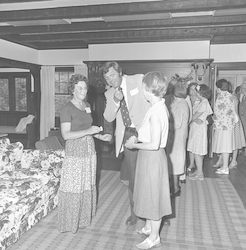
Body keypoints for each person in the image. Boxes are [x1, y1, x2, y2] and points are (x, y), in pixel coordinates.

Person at [57, 74, 112, 233]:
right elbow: (66, 135)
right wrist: (89, 130)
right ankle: (69, 222)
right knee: (74, 186)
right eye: (79, 87)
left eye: (85, 87)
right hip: (75, 150)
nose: (83, 90)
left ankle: (82, 218)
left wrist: (100, 136)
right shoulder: (67, 108)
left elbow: (88, 129)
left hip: (89, 149)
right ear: (72, 89)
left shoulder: (87, 105)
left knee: (86, 184)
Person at [125, 71, 172, 249]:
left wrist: (134, 145)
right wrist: (138, 140)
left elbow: (154, 144)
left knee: (153, 198)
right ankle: (148, 227)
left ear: (147, 89)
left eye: (143, 87)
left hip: (152, 158)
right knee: (146, 193)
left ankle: (154, 237)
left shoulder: (155, 112)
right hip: (149, 158)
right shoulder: (158, 106)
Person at [102, 61, 150, 226]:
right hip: (128, 136)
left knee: (152, 175)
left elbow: (152, 101)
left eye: (112, 75)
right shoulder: (109, 94)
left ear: (119, 72)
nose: (111, 79)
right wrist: (115, 102)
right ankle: (135, 213)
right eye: (107, 77)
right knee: (133, 178)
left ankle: (157, 213)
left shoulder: (138, 80)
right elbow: (108, 117)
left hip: (147, 133)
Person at [166, 81, 190, 197]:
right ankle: (174, 185)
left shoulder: (178, 105)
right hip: (180, 136)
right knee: (176, 159)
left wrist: (166, 124)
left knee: (174, 160)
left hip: (176, 136)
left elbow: (177, 123)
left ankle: (175, 188)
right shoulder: (184, 102)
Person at [187, 84, 213, 180]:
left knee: (198, 152)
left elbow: (192, 117)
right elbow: (194, 118)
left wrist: (193, 119)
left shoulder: (204, 103)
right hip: (196, 129)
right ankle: (198, 171)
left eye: (196, 91)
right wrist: (194, 120)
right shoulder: (202, 102)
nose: (195, 93)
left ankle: (200, 174)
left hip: (199, 129)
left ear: (200, 93)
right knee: (195, 150)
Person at [212, 79, 237, 175]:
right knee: (225, 147)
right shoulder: (230, 96)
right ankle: (224, 166)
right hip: (228, 125)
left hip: (222, 126)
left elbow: (217, 112)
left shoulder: (221, 97)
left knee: (224, 147)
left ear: (219, 87)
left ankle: (225, 168)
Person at [186, 82, 200, 174]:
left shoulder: (201, 100)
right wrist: (193, 120)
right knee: (190, 145)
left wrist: (193, 120)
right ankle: (191, 164)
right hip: (187, 125)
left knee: (197, 146)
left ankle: (198, 166)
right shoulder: (186, 99)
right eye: (191, 89)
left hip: (198, 127)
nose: (193, 91)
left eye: (195, 89)